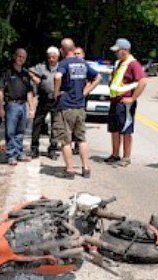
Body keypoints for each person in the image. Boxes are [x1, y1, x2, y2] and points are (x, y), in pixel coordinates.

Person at [53, 38, 101, 179]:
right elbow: (97, 77)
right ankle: (86, 168)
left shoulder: (64, 63)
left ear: (62, 50)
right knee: (81, 139)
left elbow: (57, 76)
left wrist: (56, 94)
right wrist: (86, 91)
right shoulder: (83, 63)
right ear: (73, 49)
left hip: (66, 106)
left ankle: (70, 169)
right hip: (80, 106)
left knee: (65, 139)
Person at [104, 38, 147, 167]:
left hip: (125, 102)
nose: (116, 53)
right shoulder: (118, 63)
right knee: (114, 129)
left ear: (125, 50)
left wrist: (133, 98)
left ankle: (126, 157)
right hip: (115, 100)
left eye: (118, 50)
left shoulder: (133, 64)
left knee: (126, 129)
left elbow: (143, 81)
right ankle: (115, 154)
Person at [0, 48, 36, 165]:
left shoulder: (25, 73)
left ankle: (19, 153)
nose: (21, 59)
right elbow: (0, 90)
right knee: (10, 131)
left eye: (23, 57)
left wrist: (32, 108)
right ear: (15, 56)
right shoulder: (6, 72)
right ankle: (10, 155)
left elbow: (29, 92)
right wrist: (1, 107)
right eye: (19, 56)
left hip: (23, 105)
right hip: (11, 105)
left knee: (20, 131)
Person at [29, 46, 60, 159]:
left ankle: (52, 149)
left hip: (57, 100)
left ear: (57, 57)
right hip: (44, 99)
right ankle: (34, 148)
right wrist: (34, 78)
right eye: (49, 57)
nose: (51, 59)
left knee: (55, 126)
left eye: (54, 57)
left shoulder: (61, 67)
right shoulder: (41, 67)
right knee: (37, 123)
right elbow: (29, 70)